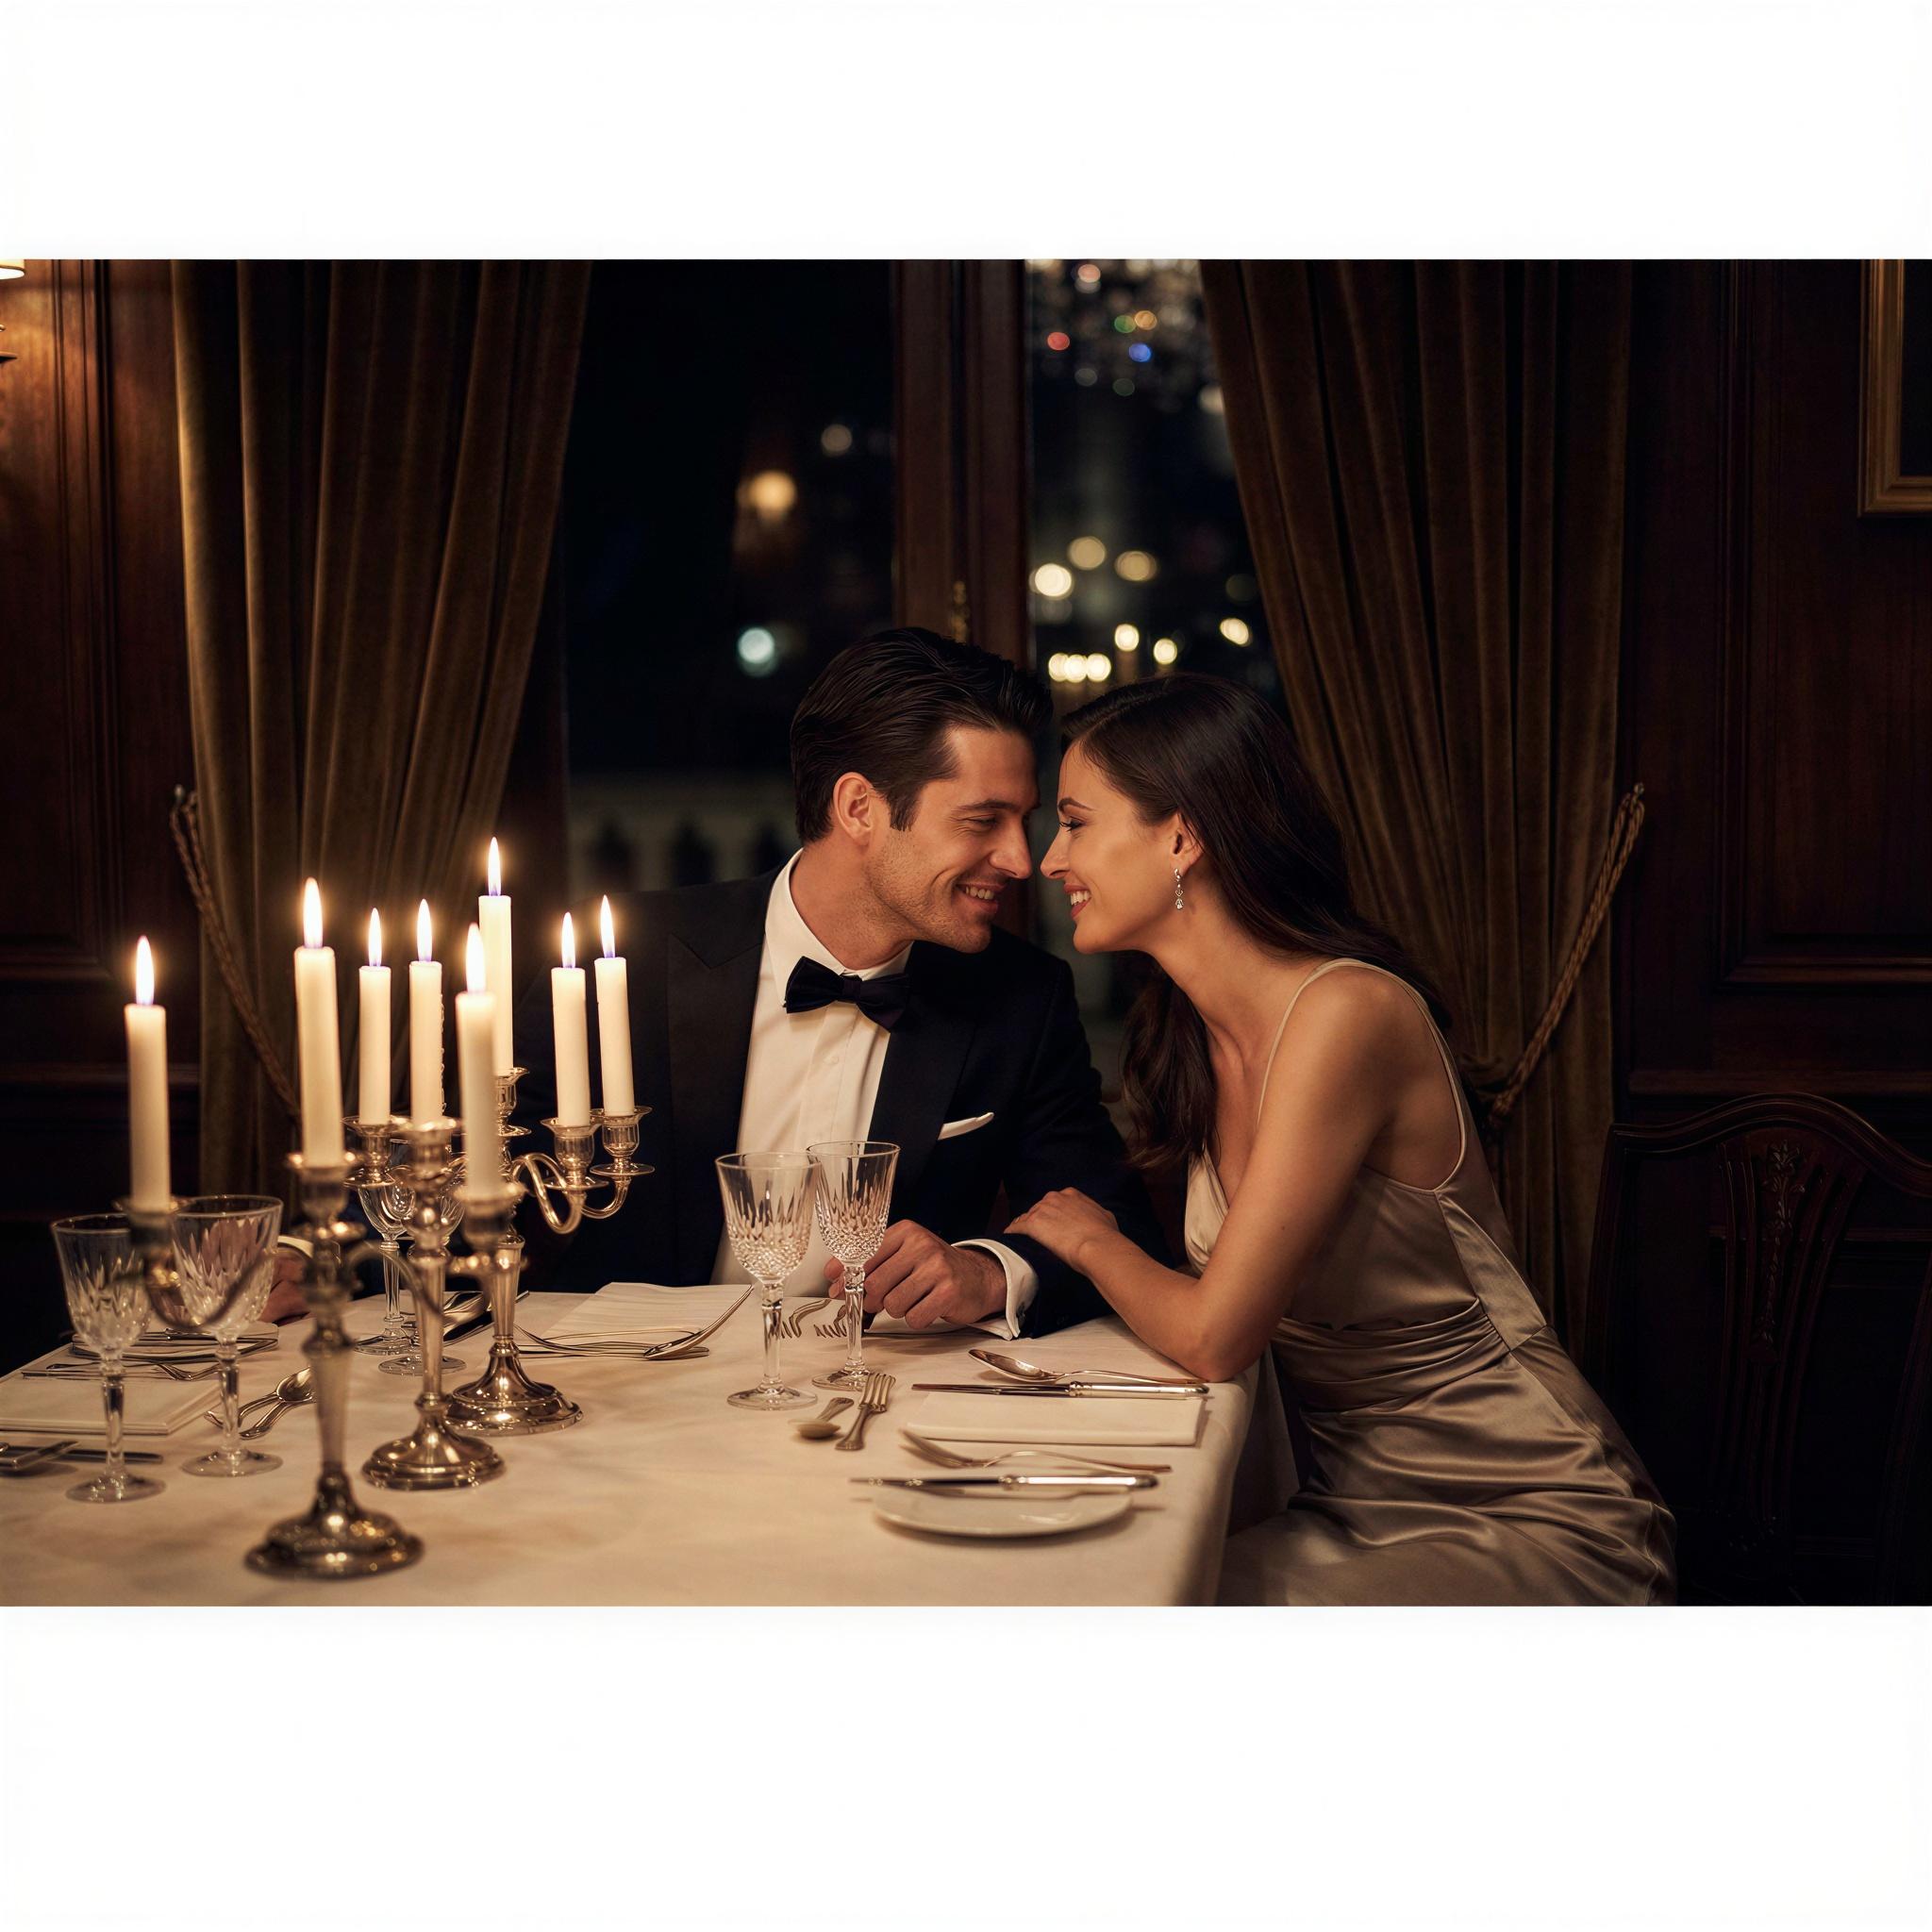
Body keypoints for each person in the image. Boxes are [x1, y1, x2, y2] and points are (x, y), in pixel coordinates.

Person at [1006, 674, 1675, 1604]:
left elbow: (1211, 1336)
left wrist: (1087, 1239)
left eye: (1074, 821)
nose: (1047, 859)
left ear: (1180, 834)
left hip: (1522, 1512)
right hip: (1344, 1504)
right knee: (1090, 1591)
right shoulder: (1192, 1033)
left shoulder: (1343, 1013)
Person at [510, 627, 1161, 1337]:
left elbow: (1111, 1218)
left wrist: (988, 1269)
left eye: (1023, 822)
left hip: (880, 1400)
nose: (1017, 858)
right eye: (982, 821)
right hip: (638, 1396)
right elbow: (487, 1184)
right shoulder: (626, 967)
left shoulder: (1019, 998)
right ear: (858, 808)